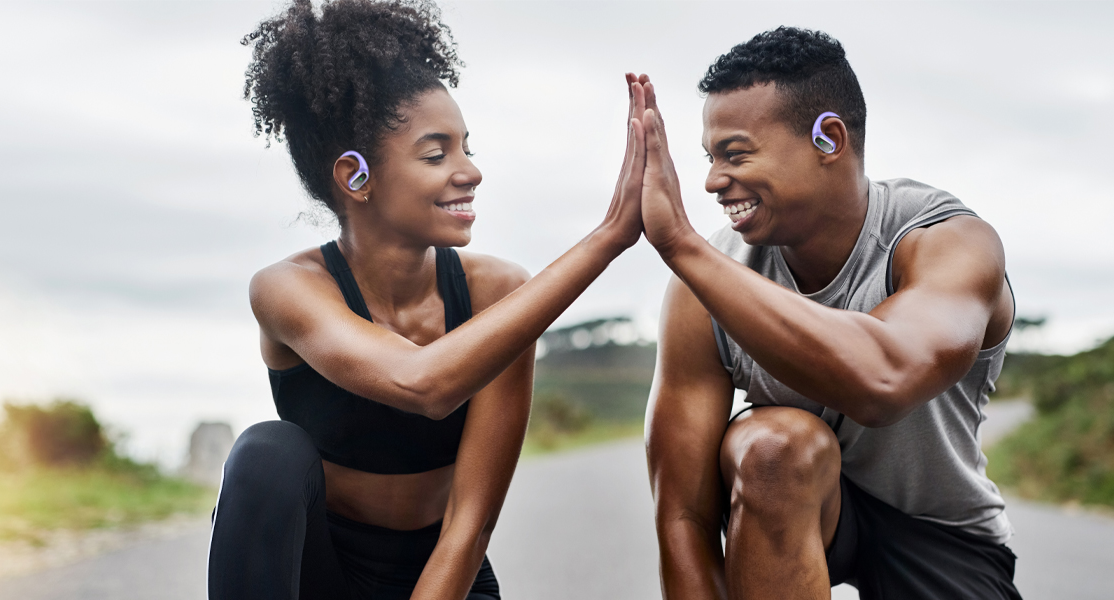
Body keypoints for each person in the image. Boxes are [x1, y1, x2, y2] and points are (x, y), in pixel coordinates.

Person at [208, 1, 651, 598]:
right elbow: (424, 385)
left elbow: (470, 523)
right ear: (355, 177)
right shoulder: (288, 289)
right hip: (319, 574)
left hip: (446, 571)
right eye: (436, 154)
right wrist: (606, 240)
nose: (470, 172)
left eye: (468, 147)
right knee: (266, 451)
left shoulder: (497, 293)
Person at [636, 27, 1020, 599]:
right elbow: (684, 521)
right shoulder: (709, 276)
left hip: (938, 534)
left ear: (829, 138)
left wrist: (682, 246)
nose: (714, 181)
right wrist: (692, 256)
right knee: (773, 449)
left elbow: (883, 381)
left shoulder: (946, 241)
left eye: (735, 154)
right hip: (799, 503)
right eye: (710, 157)